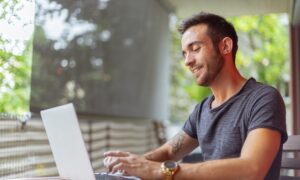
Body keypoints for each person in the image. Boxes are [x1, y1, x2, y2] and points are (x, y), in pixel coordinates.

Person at [103, 12, 287, 180]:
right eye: (185, 53)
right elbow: (169, 151)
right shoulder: (202, 110)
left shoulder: (263, 98)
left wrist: (157, 170)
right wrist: (134, 164)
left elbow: (251, 169)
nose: (188, 61)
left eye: (195, 48)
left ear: (225, 46)